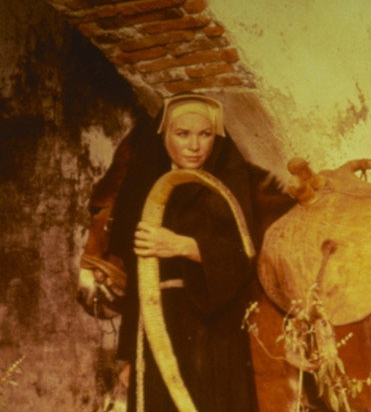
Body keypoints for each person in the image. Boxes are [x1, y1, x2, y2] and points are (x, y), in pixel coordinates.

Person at [108, 93, 263, 411]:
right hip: (156, 326)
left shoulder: (228, 185)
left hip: (211, 329)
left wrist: (185, 247)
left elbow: (243, 255)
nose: (194, 146)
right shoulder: (147, 188)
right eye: (182, 134)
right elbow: (137, 277)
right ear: (165, 136)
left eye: (205, 134)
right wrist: (128, 355)